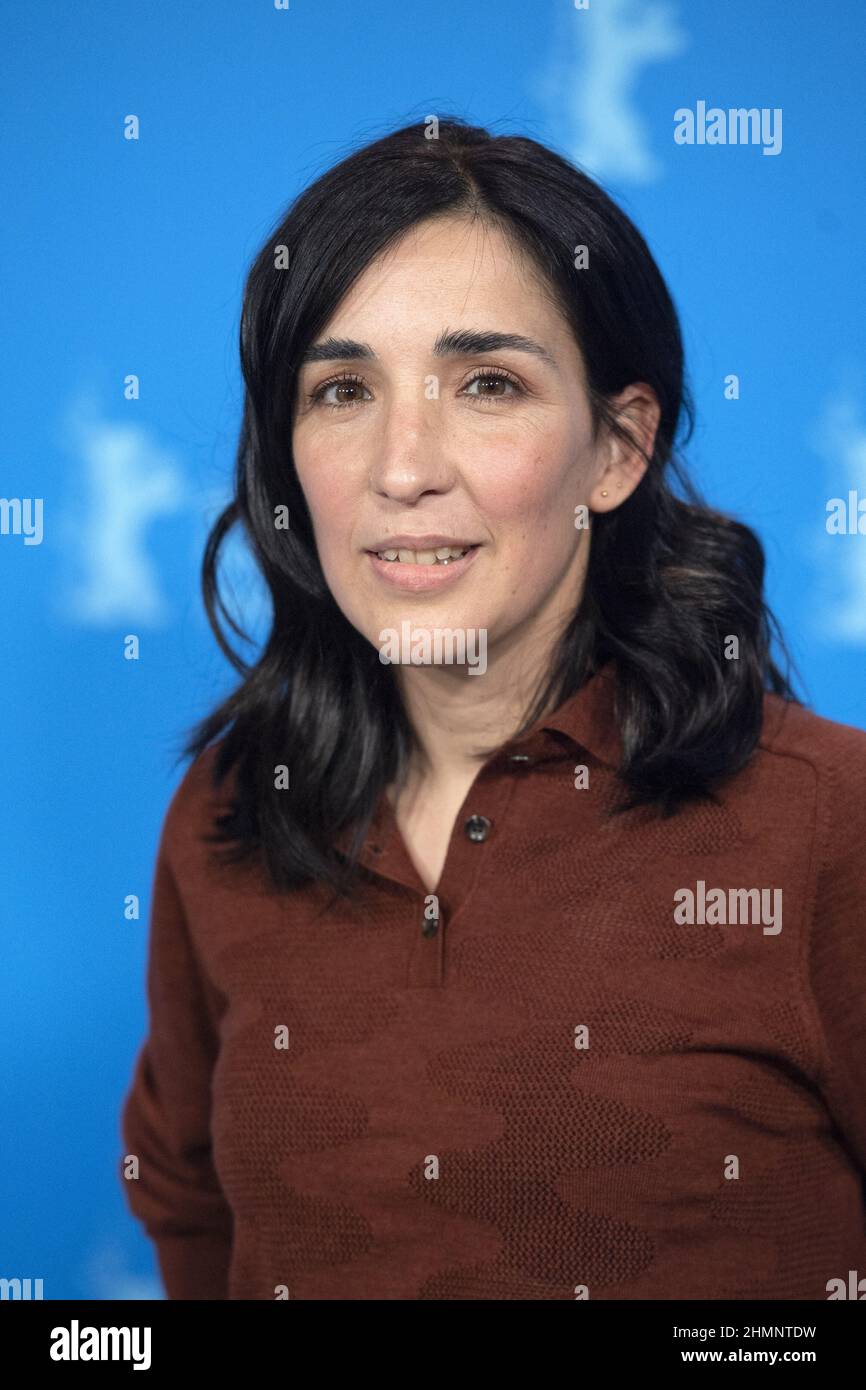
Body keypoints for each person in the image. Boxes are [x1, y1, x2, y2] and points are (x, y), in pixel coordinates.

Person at [119, 116, 866, 1301]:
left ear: (616, 448)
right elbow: (184, 1199)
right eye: (342, 387)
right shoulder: (228, 815)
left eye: (485, 384)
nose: (402, 464)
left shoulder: (830, 822)